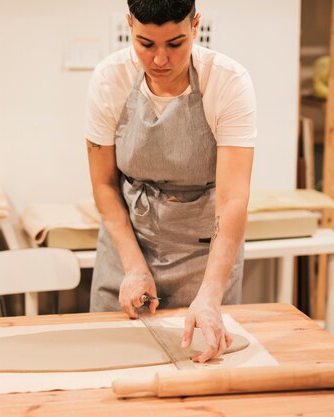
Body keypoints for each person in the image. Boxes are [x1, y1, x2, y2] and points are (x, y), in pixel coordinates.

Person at [85, 0, 256, 363]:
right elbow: (103, 184)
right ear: (129, 24)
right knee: (107, 364)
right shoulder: (109, 78)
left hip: (203, 253)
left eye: (175, 44)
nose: (160, 59)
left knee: (207, 369)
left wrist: (210, 293)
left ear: (196, 26)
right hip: (128, 243)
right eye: (146, 44)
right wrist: (133, 267)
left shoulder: (227, 81)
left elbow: (233, 200)